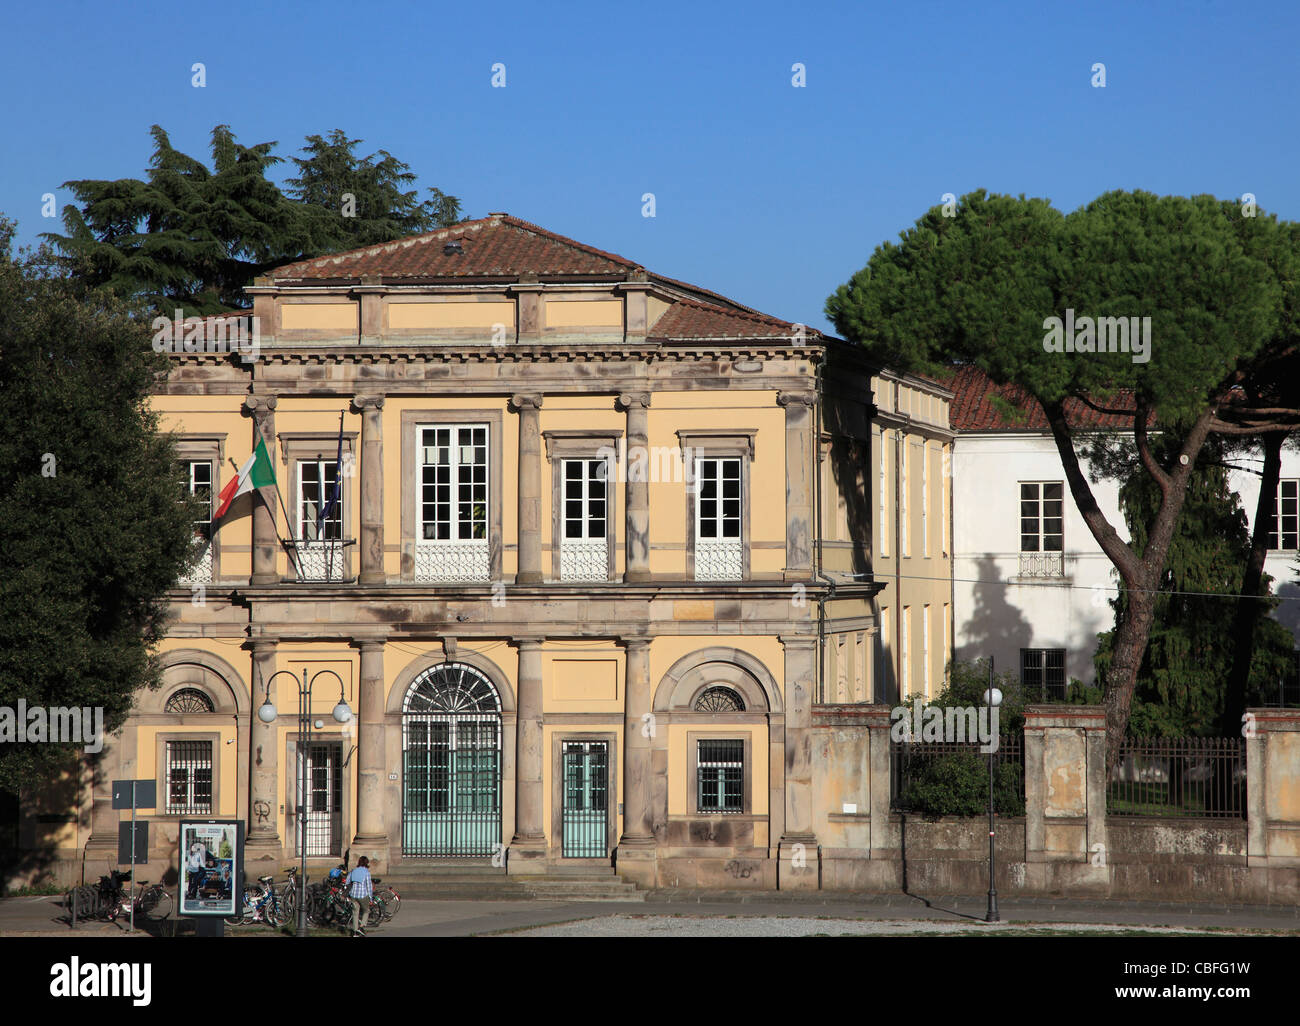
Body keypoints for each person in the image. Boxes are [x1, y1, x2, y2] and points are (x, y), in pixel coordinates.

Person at [345, 856, 372, 937]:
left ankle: (355, 931)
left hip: (353, 894)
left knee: (355, 913)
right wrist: (370, 897)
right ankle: (361, 927)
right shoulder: (366, 872)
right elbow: (369, 886)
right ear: (366, 863)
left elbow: (347, 882)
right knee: (366, 911)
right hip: (363, 894)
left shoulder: (353, 871)